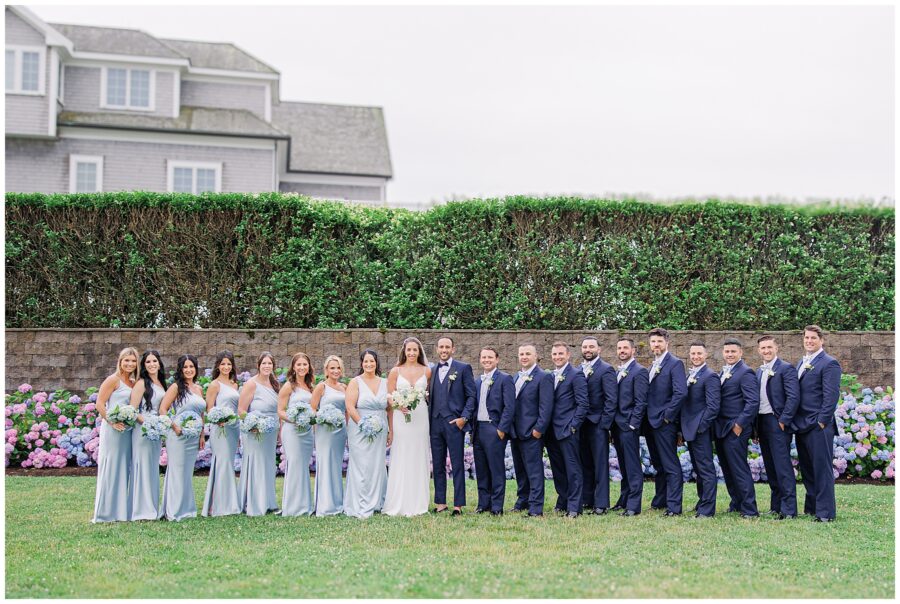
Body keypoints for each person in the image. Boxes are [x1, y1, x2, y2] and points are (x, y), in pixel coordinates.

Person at [793, 325, 841, 522]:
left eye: (813, 338)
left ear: (821, 340)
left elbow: (831, 396)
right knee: (808, 468)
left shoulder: (829, 363)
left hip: (818, 425)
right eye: (807, 338)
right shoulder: (801, 362)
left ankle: (825, 513)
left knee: (821, 469)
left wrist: (822, 421)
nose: (809, 341)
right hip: (802, 425)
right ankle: (812, 508)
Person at [383, 337, 432, 517]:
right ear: (404, 351)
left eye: (415, 350)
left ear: (419, 352)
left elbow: (431, 396)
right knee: (402, 453)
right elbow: (388, 396)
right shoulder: (395, 371)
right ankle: (399, 501)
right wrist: (398, 403)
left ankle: (418, 502)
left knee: (419, 454)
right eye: (409, 350)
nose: (411, 353)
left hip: (420, 416)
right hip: (400, 416)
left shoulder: (427, 371)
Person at [428, 336, 476, 515]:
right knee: (438, 464)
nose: (444, 350)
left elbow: (471, 396)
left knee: (457, 464)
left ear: (453, 349)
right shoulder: (432, 370)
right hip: (435, 423)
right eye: (441, 347)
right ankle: (440, 502)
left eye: (447, 347)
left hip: (455, 423)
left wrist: (464, 417)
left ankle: (458, 505)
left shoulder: (463, 368)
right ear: (437, 348)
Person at [643, 328, 688, 516]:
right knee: (658, 464)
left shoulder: (675, 364)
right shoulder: (652, 365)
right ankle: (660, 500)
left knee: (670, 465)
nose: (656, 345)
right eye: (653, 342)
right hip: (650, 423)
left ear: (667, 343)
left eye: (659, 342)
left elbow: (681, 392)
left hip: (664, 423)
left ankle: (674, 506)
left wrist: (667, 417)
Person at [92, 347, 139, 523]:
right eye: (126, 360)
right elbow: (100, 404)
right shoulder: (113, 380)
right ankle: (105, 513)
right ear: (120, 361)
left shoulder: (134, 382)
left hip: (127, 431)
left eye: (133, 361)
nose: (130, 364)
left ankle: (120, 512)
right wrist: (112, 422)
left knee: (122, 468)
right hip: (112, 430)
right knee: (111, 467)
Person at [755, 335, 800, 519]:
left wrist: (784, 419)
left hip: (777, 421)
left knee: (782, 466)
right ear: (759, 350)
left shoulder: (785, 368)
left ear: (776, 348)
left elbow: (793, 397)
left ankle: (789, 509)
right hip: (762, 422)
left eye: (769, 347)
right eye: (763, 348)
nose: (766, 351)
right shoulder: (759, 370)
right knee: (770, 466)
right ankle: (776, 505)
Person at [715, 338, 760, 518]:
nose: (730, 354)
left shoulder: (745, 372)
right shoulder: (723, 372)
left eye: (733, 351)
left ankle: (750, 509)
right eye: (727, 351)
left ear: (741, 352)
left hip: (735, 428)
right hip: (721, 428)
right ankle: (736, 502)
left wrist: (739, 424)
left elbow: (752, 402)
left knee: (739, 468)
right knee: (728, 468)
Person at [158, 354, 206, 521]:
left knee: (186, 472)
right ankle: (174, 510)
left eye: (191, 366)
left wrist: (201, 435)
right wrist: (174, 426)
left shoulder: (199, 389)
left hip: (193, 436)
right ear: (180, 369)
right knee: (177, 471)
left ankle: (187, 509)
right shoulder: (176, 387)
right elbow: (163, 409)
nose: (188, 370)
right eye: (185, 367)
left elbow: (201, 413)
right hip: (178, 435)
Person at [509, 344, 554, 517]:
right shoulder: (515, 377)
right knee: (520, 470)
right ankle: (523, 500)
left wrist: (538, 429)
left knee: (534, 471)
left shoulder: (543, 377)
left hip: (532, 433)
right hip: (515, 433)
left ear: (536, 356)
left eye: (528, 353)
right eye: (521, 354)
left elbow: (546, 406)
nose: (524, 357)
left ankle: (536, 507)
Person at [344, 349, 389, 518]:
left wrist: (389, 429)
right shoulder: (355, 382)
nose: (369, 364)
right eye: (366, 361)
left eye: (372, 361)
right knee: (362, 465)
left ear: (376, 363)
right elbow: (350, 406)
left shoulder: (385, 382)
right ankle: (360, 504)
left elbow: (389, 408)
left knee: (377, 465)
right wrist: (363, 424)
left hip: (380, 427)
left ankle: (377, 502)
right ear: (361, 363)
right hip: (359, 427)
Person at [546, 341, 589, 518]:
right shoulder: (550, 375)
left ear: (568, 355)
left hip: (567, 430)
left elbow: (583, 404)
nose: (557, 357)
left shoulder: (576, 375)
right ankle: (562, 501)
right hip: (551, 432)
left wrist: (573, 426)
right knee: (558, 469)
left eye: (560, 354)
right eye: (555, 354)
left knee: (573, 469)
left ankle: (574, 507)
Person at [472, 347, 516, 515]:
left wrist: (501, 429)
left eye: (490, 357)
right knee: (481, 470)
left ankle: (497, 506)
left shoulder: (505, 379)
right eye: (484, 357)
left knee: (496, 469)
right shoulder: (477, 381)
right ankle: (483, 504)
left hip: (494, 429)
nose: (487, 360)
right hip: (478, 430)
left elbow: (510, 406)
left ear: (497, 359)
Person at [237, 352, 281, 517]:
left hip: (270, 431)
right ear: (259, 365)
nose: (267, 366)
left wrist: (278, 430)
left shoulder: (275, 384)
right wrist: (253, 424)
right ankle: (254, 503)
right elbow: (241, 410)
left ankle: (269, 502)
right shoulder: (251, 384)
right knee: (256, 464)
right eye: (264, 363)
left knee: (268, 465)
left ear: (273, 366)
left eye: (270, 363)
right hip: (254, 432)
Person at [578, 336, 618, 515]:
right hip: (581, 424)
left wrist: (604, 425)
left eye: (591, 347)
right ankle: (587, 499)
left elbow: (611, 400)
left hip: (598, 424)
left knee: (600, 464)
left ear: (599, 349)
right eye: (585, 347)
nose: (588, 349)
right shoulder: (578, 369)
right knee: (585, 463)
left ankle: (601, 504)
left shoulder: (606, 369)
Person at [680, 342, 721, 518]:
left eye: (699, 353)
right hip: (690, 429)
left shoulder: (710, 375)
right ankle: (701, 502)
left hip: (700, 430)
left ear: (706, 355)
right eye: (693, 353)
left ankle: (707, 509)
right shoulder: (692, 374)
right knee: (698, 468)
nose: (695, 356)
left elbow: (713, 406)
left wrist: (700, 427)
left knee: (706, 469)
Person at [610, 338, 648, 517]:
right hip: (617, 426)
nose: (622, 351)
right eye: (619, 348)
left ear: (633, 350)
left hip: (628, 426)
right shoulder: (619, 371)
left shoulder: (639, 371)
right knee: (624, 466)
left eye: (625, 348)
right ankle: (623, 500)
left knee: (632, 466)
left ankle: (633, 505)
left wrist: (633, 424)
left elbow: (641, 402)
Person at [201, 350, 242, 517]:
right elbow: (208, 408)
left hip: (233, 428)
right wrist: (217, 419)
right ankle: (219, 506)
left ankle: (229, 503)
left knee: (228, 463)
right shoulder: (214, 385)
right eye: (223, 364)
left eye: (229, 364)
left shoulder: (234, 385)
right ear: (218, 366)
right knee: (222, 463)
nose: (226, 367)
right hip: (220, 428)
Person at [129, 350, 167, 521]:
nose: (152, 365)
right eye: (148, 362)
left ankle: (151, 506)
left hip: (156, 431)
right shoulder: (141, 383)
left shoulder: (161, 383)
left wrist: (160, 424)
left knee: (152, 468)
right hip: (143, 431)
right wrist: (147, 423)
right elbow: (132, 410)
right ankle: (141, 510)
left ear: (159, 363)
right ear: (143, 366)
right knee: (142, 466)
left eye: (154, 361)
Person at [278, 352, 316, 517]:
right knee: (294, 464)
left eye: (304, 364)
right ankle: (292, 507)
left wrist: (308, 419)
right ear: (293, 367)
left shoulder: (311, 386)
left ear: (309, 367)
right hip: (292, 430)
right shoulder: (289, 386)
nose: (302, 367)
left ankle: (305, 505)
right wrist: (294, 419)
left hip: (307, 432)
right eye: (298, 364)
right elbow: (280, 411)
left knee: (303, 465)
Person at [310, 355, 348, 516]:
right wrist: (323, 418)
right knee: (325, 464)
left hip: (340, 431)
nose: (335, 371)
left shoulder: (344, 387)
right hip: (325, 430)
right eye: (332, 368)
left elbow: (347, 410)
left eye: (338, 367)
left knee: (336, 465)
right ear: (326, 370)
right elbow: (312, 409)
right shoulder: (321, 387)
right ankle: (325, 505)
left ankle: (338, 502)